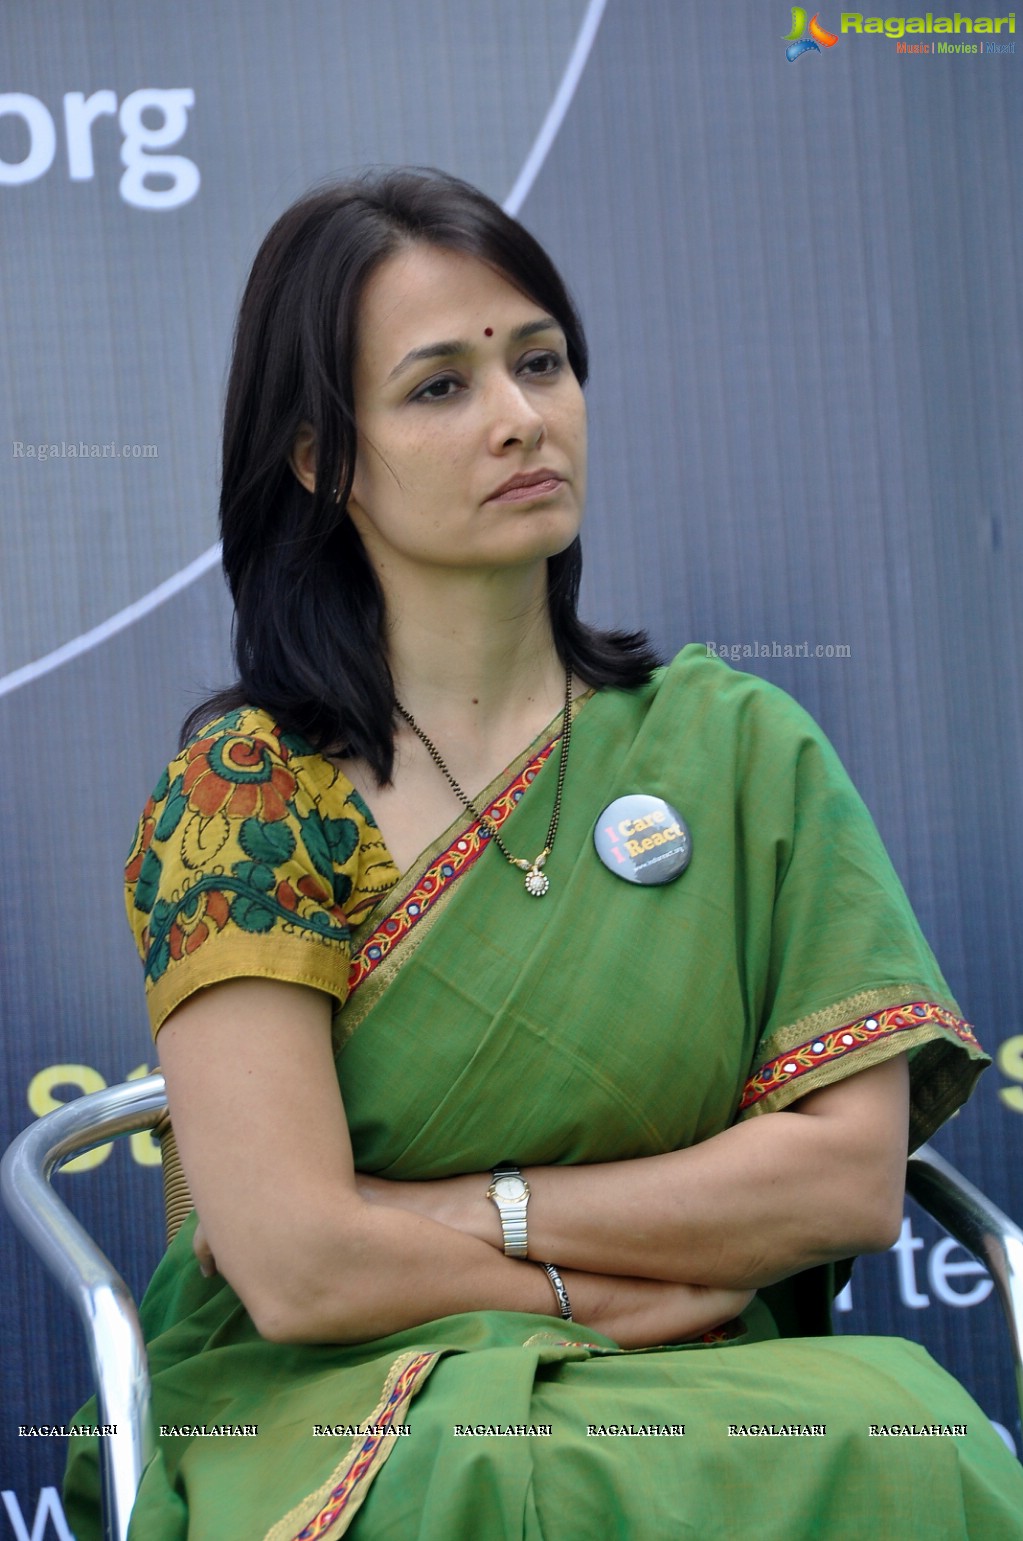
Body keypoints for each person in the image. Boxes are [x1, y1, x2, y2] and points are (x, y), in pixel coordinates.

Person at [64, 168, 1023, 1539]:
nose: (521, 419)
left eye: (542, 361)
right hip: (340, 1399)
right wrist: (582, 1299)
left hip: (715, 1370)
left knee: (916, 1438)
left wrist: (481, 1207)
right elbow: (295, 1268)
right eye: (440, 386)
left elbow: (847, 1179)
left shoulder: (738, 748)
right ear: (322, 457)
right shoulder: (246, 793)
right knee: (513, 1476)